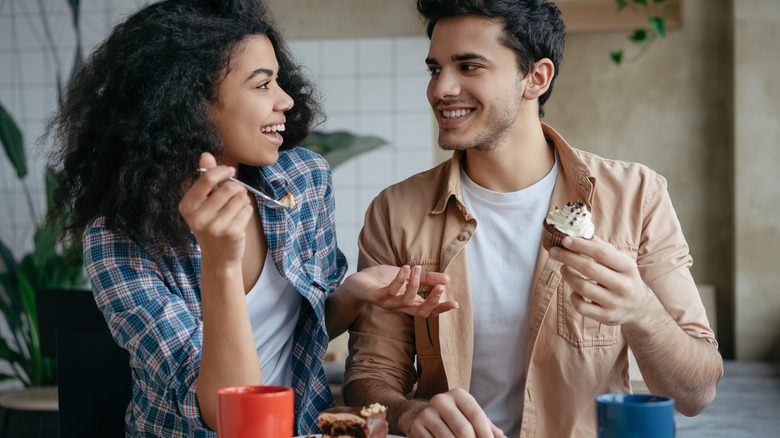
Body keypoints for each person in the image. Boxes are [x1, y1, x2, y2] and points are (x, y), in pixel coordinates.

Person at [44, 0, 454, 436]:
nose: (286, 99)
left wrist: (351, 295)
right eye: (262, 85)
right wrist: (219, 262)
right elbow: (224, 414)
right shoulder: (118, 240)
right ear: (189, 103)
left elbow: (295, 336)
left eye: (279, 80)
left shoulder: (304, 179)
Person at [342, 1, 723, 437]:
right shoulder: (394, 212)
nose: (441, 88)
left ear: (536, 78)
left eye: (468, 66)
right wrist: (407, 413)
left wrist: (641, 311)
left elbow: (697, 394)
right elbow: (370, 376)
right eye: (435, 69)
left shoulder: (638, 196)